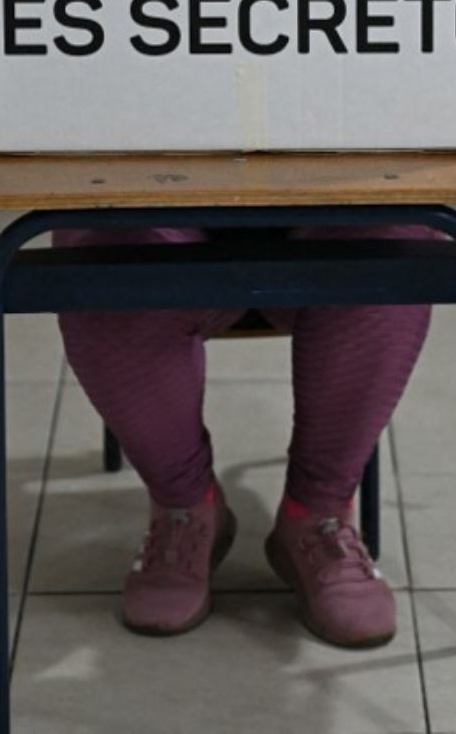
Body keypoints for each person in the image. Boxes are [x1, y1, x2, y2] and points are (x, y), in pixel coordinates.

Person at [55, 223, 435, 649]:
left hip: (330, 195)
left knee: (390, 253)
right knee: (110, 264)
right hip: (151, 198)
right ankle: (186, 506)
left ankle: (317, 515)